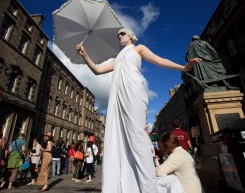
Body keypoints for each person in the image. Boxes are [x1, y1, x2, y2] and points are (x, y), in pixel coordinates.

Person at [76, 28, 201, 192]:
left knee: (137, 135)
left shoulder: (138, 49)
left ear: (131, 36)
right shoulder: (117, 59)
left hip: (134, 92)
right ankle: (129, 183)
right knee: (120, 137)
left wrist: (184, 68)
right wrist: (84, 54)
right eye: (118, 35)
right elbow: (98, 71)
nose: (119, 36)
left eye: (122, 33)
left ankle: (147, 184)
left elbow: (160, 60)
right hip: (119, 97)